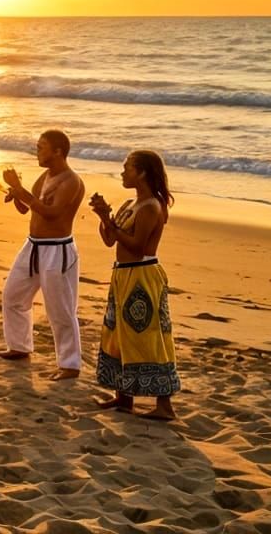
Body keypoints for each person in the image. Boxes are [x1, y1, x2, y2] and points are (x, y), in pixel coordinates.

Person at [89, 151, 181, 421]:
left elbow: (138, 246)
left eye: (127, 167)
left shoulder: (151, 207)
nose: (122, 172)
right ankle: (123, 397)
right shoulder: (130, 203)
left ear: (141, 173)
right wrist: (104, 217)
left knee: (149, 336)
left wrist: (112, 224)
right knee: (119, 333)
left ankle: (164, 405)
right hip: (123, 274)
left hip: (142, 275)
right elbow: (110, 240)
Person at [0, 129, 86, 381]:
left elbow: (51, 212)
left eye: (40, 147)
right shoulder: (44, 176)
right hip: (33, 246)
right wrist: (16, 194)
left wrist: (18, 188)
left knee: (60, 308)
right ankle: (19, 346)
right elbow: (27, 208)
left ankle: (70, 364)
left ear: (58, 151)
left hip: (58, 249)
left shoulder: (71, 181)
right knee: (13, 295)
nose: (36, 151)